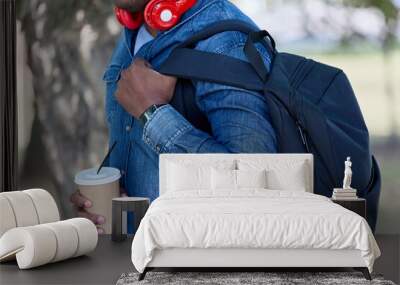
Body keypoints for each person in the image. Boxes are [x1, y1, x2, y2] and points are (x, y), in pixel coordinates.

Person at [71, 0, 277, 233]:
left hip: (194, 264)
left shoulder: (226, 43)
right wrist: (102, 197)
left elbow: (254, 185)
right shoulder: (135, 32)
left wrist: (152, 113)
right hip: (139, 258)